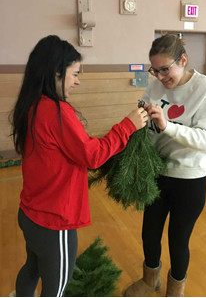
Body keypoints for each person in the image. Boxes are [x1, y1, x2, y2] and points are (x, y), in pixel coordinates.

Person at [10, 35, 148, 297]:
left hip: (29, 213)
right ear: (55, 74)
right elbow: (92, 156)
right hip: (54, 223)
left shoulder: (31, 105)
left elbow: (73, 149)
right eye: (73, 74)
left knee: (31, 268)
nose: (77, 80)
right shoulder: (57, 112)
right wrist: (127, 126)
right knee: (57, 289)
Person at [124, 33, 206, 297]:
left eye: (165, 69)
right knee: (149, 233)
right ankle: (150, 280)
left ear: (183, 60)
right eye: (154, 70)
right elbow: (145, 114)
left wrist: (168, 126)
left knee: (178, 241)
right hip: (156, 172)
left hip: (189, 178)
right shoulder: (156, 85)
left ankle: (175, 290)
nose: (160, 77)